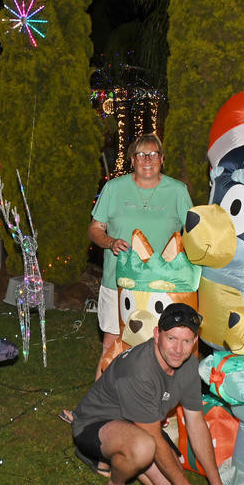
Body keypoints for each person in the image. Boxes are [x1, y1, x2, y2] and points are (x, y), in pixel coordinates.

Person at [70, 303, 230, 485]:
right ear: (157, 334)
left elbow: (196, 425)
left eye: (186, 341)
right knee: (144, 448)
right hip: (96, 423)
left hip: (138, 423)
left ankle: (110, 459)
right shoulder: (140, 370)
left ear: (194, 342)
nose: (178, 349)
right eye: (171, 338)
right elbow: (153, 436)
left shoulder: (189, 366)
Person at [88, 134, 192, 378]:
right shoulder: (114, 188)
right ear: (132, 160)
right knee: (113, 345)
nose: (148, 160)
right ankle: (96, 412)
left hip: (161, 286)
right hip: (119, 283)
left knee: (164, 350)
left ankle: (157, 412)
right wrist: (110, 242)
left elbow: (193, 234)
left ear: (162, 159)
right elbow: (95, 229)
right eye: (141, 155)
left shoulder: (177, 191)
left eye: (153, 154)